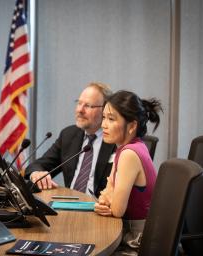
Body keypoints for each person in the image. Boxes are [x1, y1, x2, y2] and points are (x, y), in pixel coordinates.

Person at [94, 90, 162, 255]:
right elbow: (105, 195)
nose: (103, 124)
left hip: (136, 241)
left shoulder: (129, 154)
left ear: (132, 126)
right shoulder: (130, 148)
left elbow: (117, 210)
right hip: (128, 232)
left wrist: (109, 199)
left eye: (111, 119)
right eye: (103, 117)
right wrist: (108, 197)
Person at [26, 82, 116, 197]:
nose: (80, 110)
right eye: (79, 103)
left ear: (105, 109)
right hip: (69, 204)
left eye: (88, 106)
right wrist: (37, 173)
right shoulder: (69, 135)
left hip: (100, 209)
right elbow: (38, 165)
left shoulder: (116, 140)